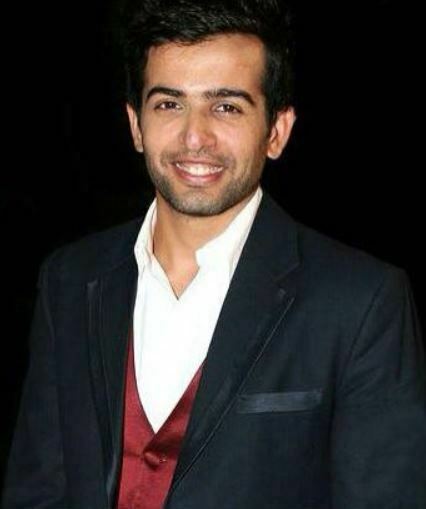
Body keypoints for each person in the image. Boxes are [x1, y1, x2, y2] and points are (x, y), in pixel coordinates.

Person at [3, 1, 425, 508]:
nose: (194, 137)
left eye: (226, 107)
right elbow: (37, 491)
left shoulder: (360, 301)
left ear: (276, 131)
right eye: (169, 104)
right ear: (136, 124)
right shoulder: (70, 279)